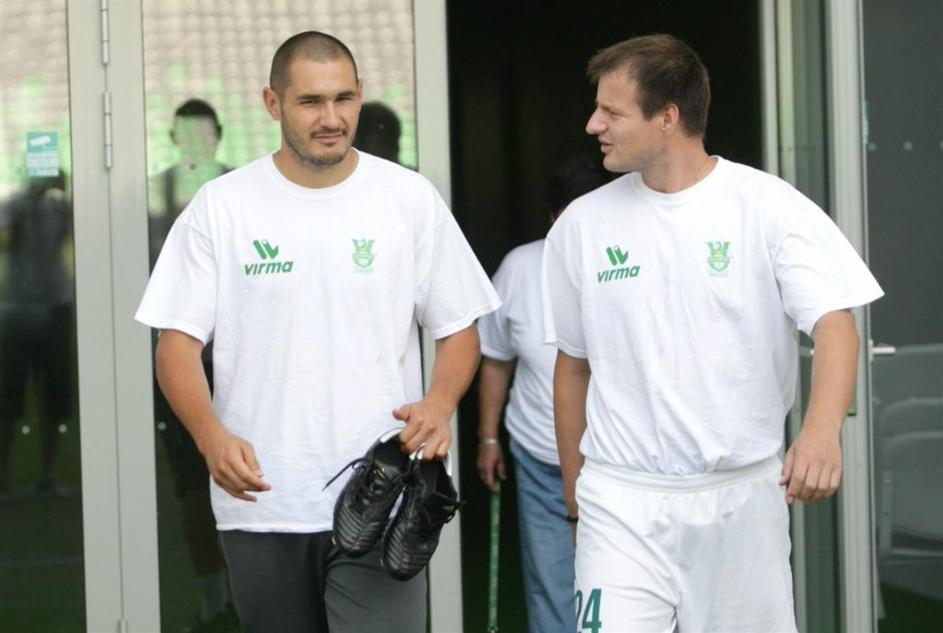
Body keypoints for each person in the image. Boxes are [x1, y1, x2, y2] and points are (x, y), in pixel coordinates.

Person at [135, 31, 499, 633]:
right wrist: (209, 435)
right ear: (272, 103)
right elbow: (175, 345)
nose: (331, 118)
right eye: (310, 102)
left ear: (360, 95)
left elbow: (459, 328)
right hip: (262, 501)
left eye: (343, 99)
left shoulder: (408, 199)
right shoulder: (221, 206)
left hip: (382, 493)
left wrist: (439, 402)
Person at [541, 34, 883, 632]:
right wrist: (576, 502)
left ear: (667, 117)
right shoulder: (581, 225)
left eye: (612, 112)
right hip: (619, 504)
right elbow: (573, 367)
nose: (593, 124)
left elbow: (835, 324)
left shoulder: (768, 207)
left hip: (741, 502)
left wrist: (821, 431)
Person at [476, 156, 611, 633]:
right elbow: (496, 358)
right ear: (553, 219)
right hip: (541, 460)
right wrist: (488, 437)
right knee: (552, 588)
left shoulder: (632, 264)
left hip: (619, 466)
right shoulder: (520, 267)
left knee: (620, 594)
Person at [147, 99, 237, 632]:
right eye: (186, 133)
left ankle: (249, 596)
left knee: (250, 477)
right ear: (174, 139)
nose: (195, 142)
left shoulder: (242, 193)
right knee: (192, 489)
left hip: (242, 364)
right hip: (183, 362)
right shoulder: (152, 196)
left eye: (203, 133)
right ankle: (212, 600)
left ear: (219, 135)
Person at [0, 172, 73, 499]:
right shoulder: (13, 205)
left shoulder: (59, 207)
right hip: (18, 307)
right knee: (9, 397)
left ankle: (48, 475)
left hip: (54, 305)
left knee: (55, 396)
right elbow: (5, 239)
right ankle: (4, 478)